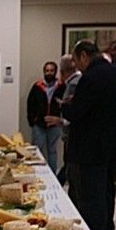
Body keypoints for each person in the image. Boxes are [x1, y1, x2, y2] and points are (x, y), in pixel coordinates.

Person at [61, 39, 116, 230]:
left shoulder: (90, 77)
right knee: (108, 194)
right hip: (113, 147)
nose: (76, 67)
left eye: (76, 61)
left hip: (90, 149)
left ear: (84, 56)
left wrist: (66, 106)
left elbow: (76, 113)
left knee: (91, 198)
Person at [45, 54, 81, 186]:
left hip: (73, 134)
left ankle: (56, 184)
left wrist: (61, 119)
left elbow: (75, 112)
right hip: (71, 133)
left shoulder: (73, 84)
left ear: (61, 71)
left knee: (70, 169)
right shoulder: (74, 82)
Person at [27, 61, 65, 173]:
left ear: (55, 72)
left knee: (52, 150)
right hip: (39, 124)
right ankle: (37, 173)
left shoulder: (62, 86)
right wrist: (32, 120)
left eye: (51, 71)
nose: (49, 73)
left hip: (55, 124)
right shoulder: (37, 86)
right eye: (47, 71)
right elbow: (30, 104)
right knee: (37, 150)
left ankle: (52, 174)